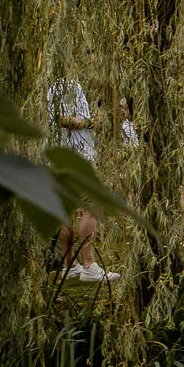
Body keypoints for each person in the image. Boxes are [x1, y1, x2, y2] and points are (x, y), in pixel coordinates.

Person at [47, 77, 111, 281]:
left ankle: (69, 265)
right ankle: (89, 265)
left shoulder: (52, 83)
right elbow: (65, 120)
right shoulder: (65, 84)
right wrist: (93, 123)